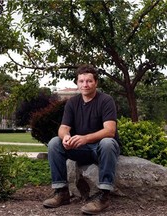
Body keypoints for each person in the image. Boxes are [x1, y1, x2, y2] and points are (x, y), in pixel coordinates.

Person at [42, 64, 121, 215]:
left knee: (107, 143)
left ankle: (103, 196)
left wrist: (85, 138)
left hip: (101, 149)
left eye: (89, 81)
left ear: (96, 83)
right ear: (77, 83)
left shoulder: (106, 100)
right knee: (54, 143)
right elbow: (63, 128)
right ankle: (62, 192)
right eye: (82, 81)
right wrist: (66, 137)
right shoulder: (72, 103)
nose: (85, 84)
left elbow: (110, 131)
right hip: (81, 149)